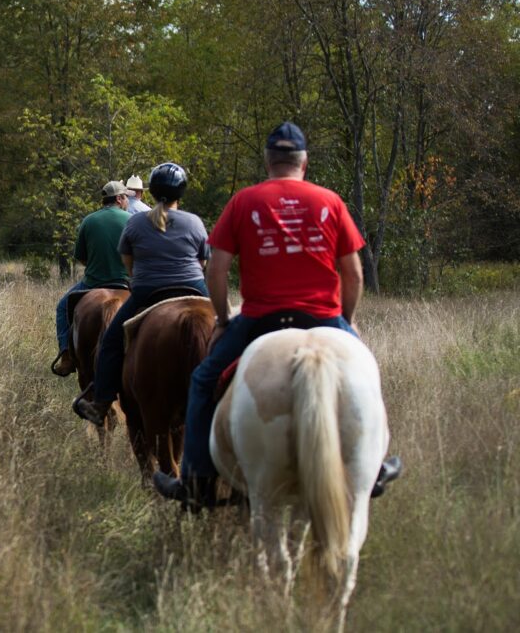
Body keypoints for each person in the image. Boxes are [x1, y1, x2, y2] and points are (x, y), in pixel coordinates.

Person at [153, 122, 402, 509]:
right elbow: (353, 273)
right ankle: (372, 467)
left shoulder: (244, 201)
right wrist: (346, 320)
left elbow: (215, 271)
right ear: (304, 163)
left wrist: (221, 320)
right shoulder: (330, 202)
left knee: (203, 381)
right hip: (322, 317)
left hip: (260, 320)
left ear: (269, 162)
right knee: (366, 372)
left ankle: (197, 481)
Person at [74, 162, 210, 424]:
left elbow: (128, 263)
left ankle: (101, 402)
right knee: (226, 331)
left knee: (111, 341)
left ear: (152, 192)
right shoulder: (194, 222)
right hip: (194, 287)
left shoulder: (136, 222)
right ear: (181, 193)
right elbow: (203, 262)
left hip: (148, 291)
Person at [52, 181, 131, 375]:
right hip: (126, 282)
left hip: (93, 283)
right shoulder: (132, 220)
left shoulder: (88, 221)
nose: (128, 200)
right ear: (119, 199)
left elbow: (81, 257)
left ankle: (67, 355)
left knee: (63, 307)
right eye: (126, 197)